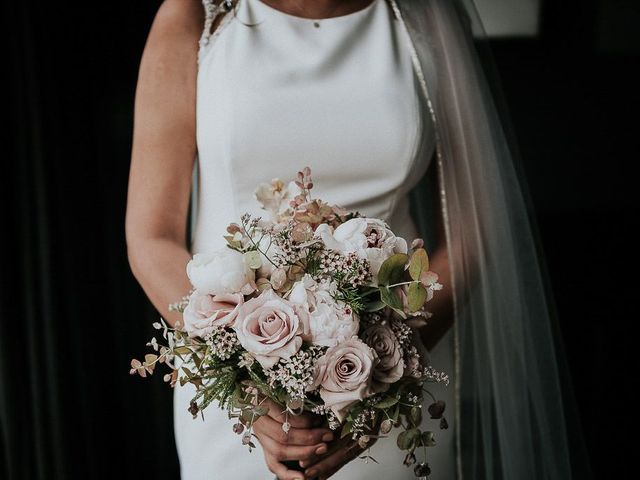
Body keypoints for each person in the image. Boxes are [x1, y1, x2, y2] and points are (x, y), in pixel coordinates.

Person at [126, 0, 581, 479]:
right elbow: (150, 236)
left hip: (396, 368)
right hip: (239, 397)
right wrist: (250, 388)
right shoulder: (195, 15)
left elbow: (475, 223)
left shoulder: (425, 15)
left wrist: (381, 367)